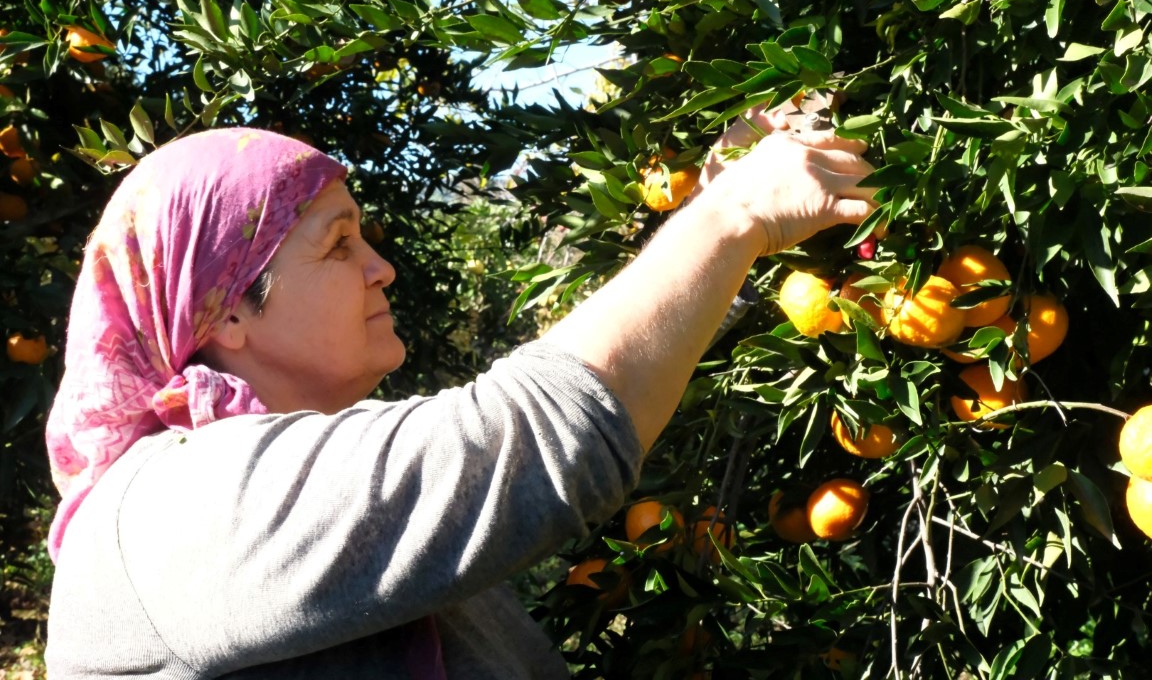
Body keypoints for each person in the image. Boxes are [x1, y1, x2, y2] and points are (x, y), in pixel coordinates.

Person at [43, 110, 874, 678]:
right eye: (339, 248)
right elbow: (537, 434)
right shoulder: (173, 507)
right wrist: (729, 219)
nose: (381, 268)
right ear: (222, 309)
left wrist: (714, 228)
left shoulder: (309, 471)